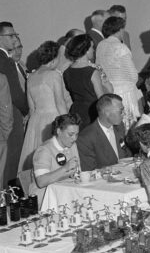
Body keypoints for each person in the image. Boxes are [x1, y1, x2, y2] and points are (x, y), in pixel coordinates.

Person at [18, 40, 71, 173]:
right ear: (54, 59)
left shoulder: (31, 77)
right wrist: (67, 122)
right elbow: (60, 102)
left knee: (38, 161)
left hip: (36, 122)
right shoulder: (54, 75)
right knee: (55, 158)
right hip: (53, 119)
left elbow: (32, 108)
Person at [94, 16, 141, 124]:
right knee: (127, 124)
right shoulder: (121, 47)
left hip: (108, 91)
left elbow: (98, 67)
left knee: (112, 124)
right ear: (119, 30)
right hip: (125, 93)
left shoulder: (101, 45)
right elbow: (133, 75)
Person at [62, 33, 109, 126]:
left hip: (76, 112)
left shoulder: (67, 72)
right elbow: (101, 99)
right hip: (92, 113)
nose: (94, 49)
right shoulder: (92, 72)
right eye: (92, 47)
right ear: (86, 50)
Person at [76, 93, 130, 171]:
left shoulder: (119, 127)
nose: (124, 114)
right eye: (120, 111)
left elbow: (126, 155)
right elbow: (89, 171)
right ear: (106, 112)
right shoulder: (86, 138)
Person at [31, 113, 81, 195]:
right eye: (71, 134)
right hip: (45, 196)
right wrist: (65, 168)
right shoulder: (44, 150)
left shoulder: (72, 145)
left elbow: (77, 173)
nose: (74, 138)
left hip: (66, 192)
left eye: (77, 134)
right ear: (59, 131)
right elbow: (41, 182)